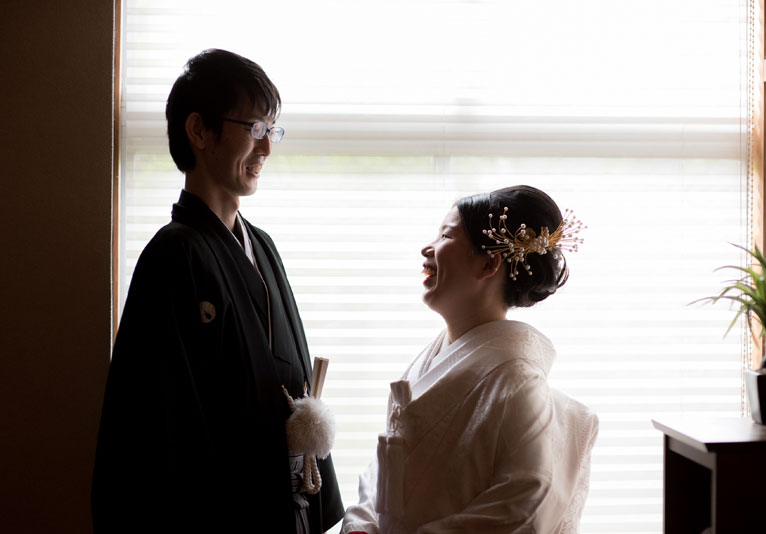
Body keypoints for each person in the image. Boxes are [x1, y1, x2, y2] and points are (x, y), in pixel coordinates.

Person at [92, 49, 344, 533]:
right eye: (254, 129)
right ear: (199, 131)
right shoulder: (174, 256)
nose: (267, 147)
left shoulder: (263, 246)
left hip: (284, 500)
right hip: (222, 512)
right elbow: (158, 422)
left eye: (273, 130)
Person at [341, 185, 599, 534]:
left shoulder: (516, 379)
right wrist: (362, 523)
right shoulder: (431, 360)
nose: (427, 248)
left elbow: (524, 506)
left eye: (446, 235)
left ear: (490, 262)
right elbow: (385, 470)